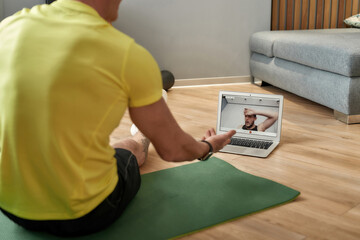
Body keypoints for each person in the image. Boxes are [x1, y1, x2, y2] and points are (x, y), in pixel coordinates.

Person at [0, 0, 235, 237]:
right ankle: (142, 134)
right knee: (131, 150)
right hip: (85, 213)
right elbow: (173, 150)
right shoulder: (126, 53)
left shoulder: (7, 27)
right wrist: (207, 147)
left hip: (10, 206)